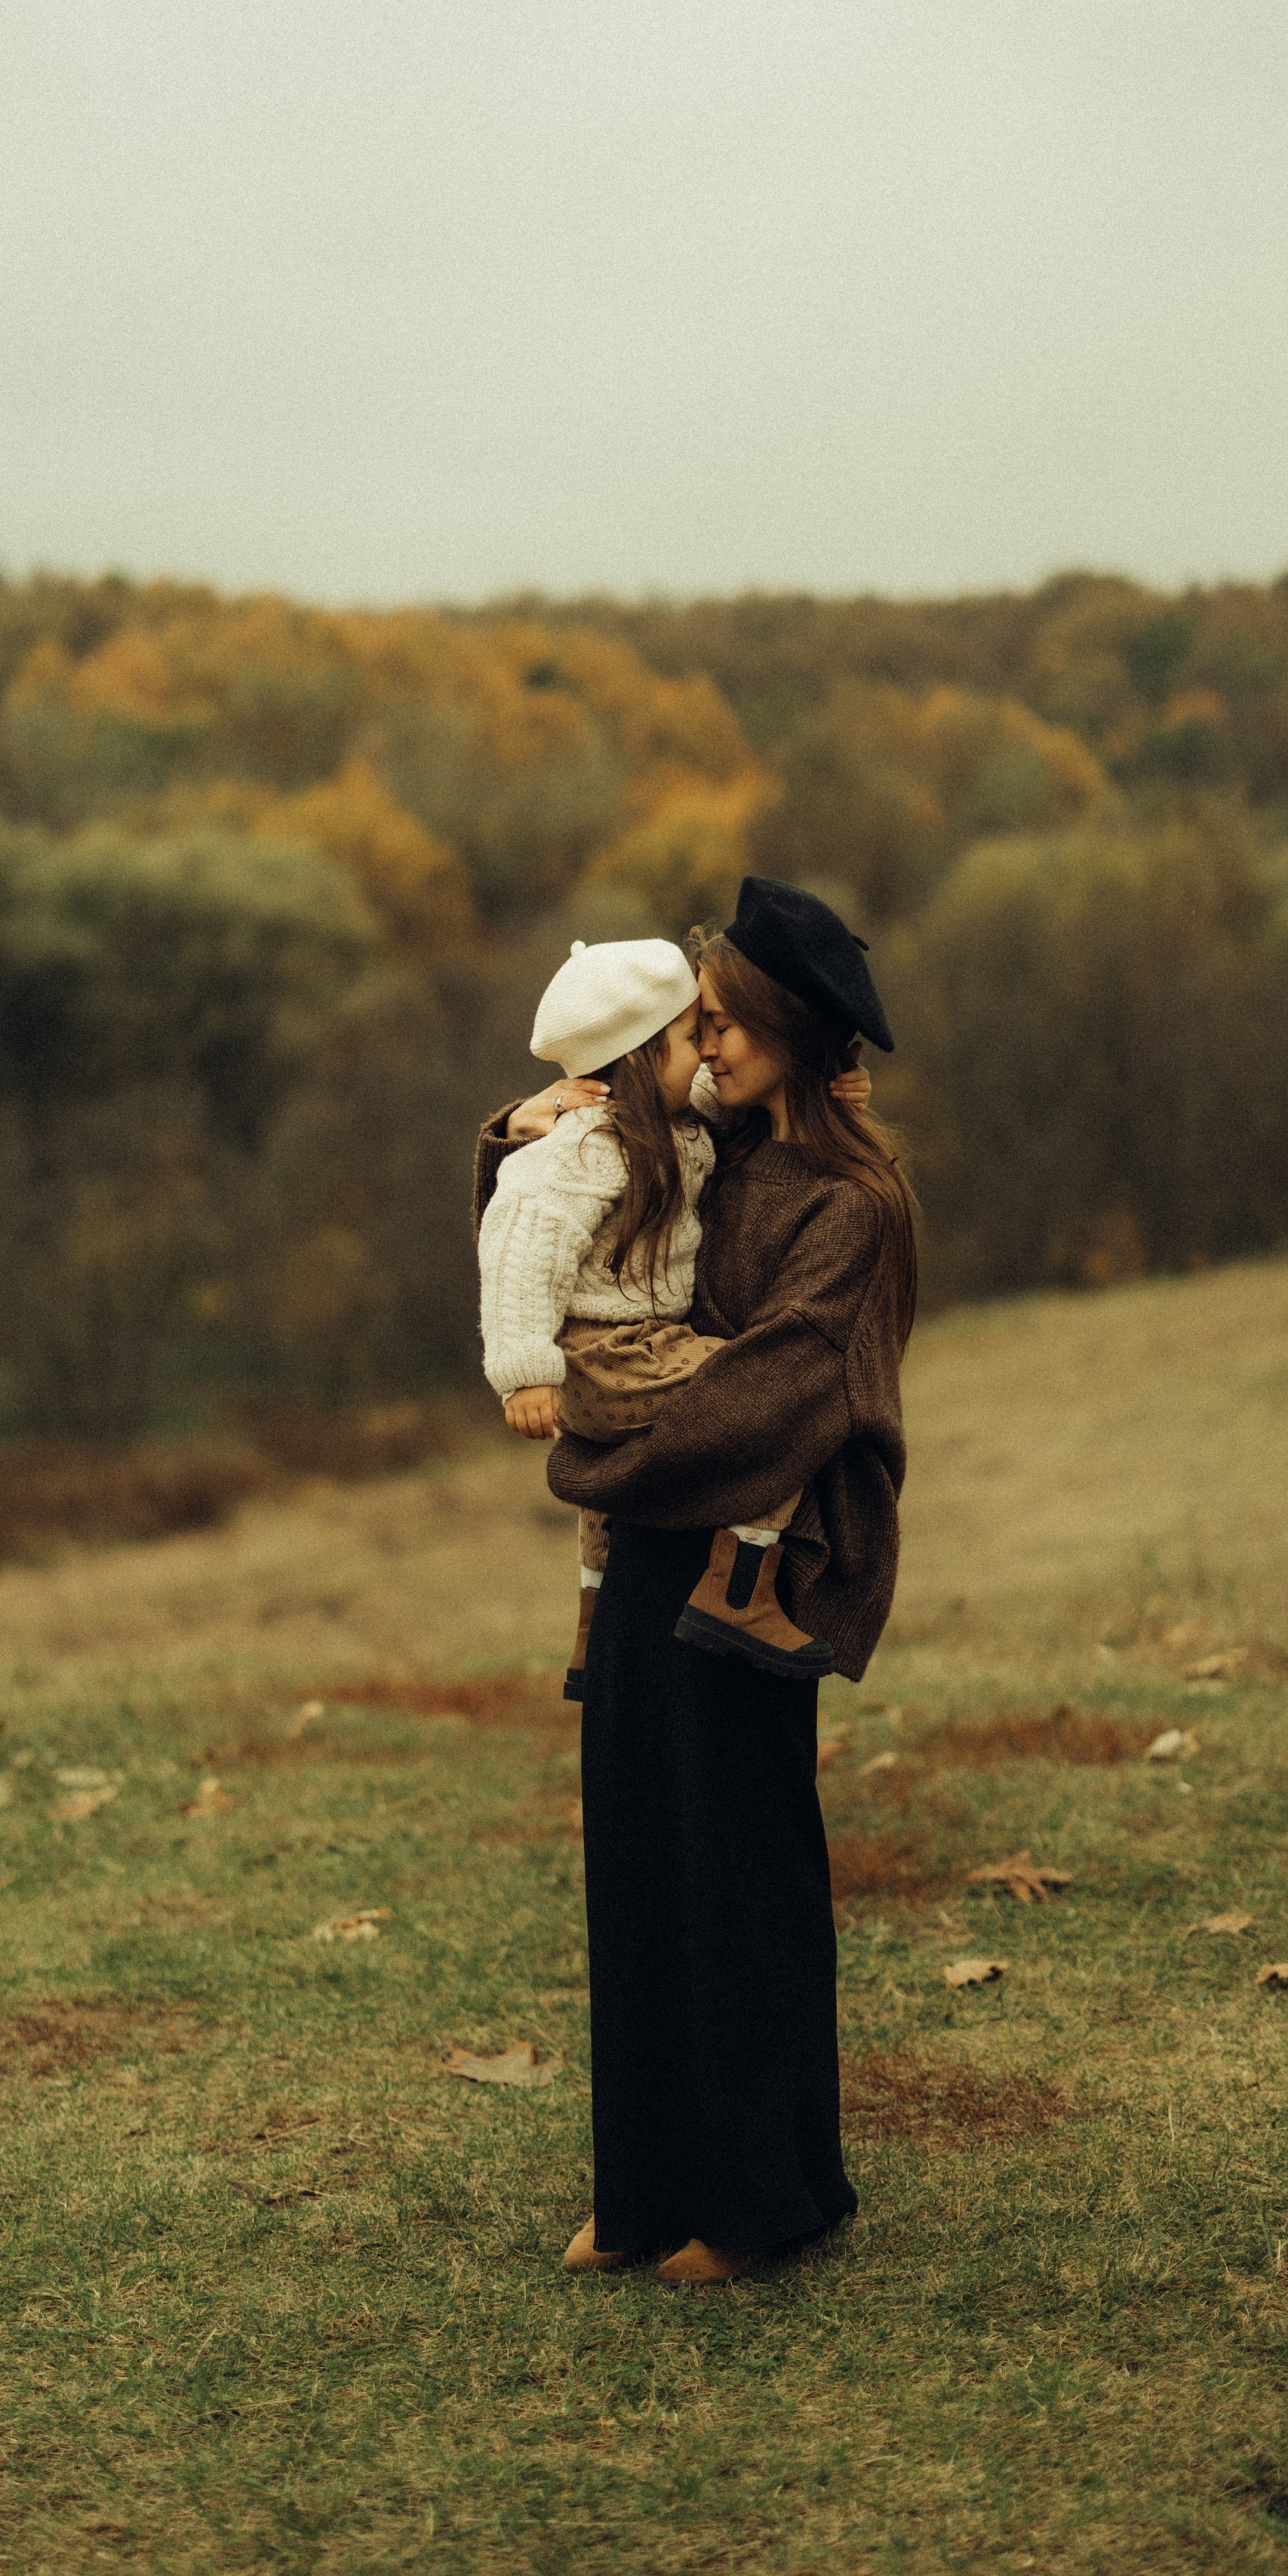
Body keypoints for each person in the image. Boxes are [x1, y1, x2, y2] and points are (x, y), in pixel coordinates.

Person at [472, 876, 917, 2288]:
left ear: (788, 1030)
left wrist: (602, 1418)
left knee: (739, 1879)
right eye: (694, 1026)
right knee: (636, 1865)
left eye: (720, 1023)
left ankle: (759, 2199)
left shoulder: (849, 1207)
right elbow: (543, 1232)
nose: (701, 1046)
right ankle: (644, 2186)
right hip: (651, 1550)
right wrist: (518, 1124)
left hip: (757, 1566)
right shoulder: (684, 1140)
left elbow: (777, 1401)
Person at [478, 934, 850, 1700]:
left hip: (634, 1348)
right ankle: (740, 1585)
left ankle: (592, 1622)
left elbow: (734, 1098)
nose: (708, 1053)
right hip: (606, 1354)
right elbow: (519, 1245)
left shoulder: (669, 1122)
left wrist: (824, 1079)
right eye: (691, 1039)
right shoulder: (580, 1151)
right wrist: (523, 1372)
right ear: (642, 1058)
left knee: (605, 1502)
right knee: (779, 1404)